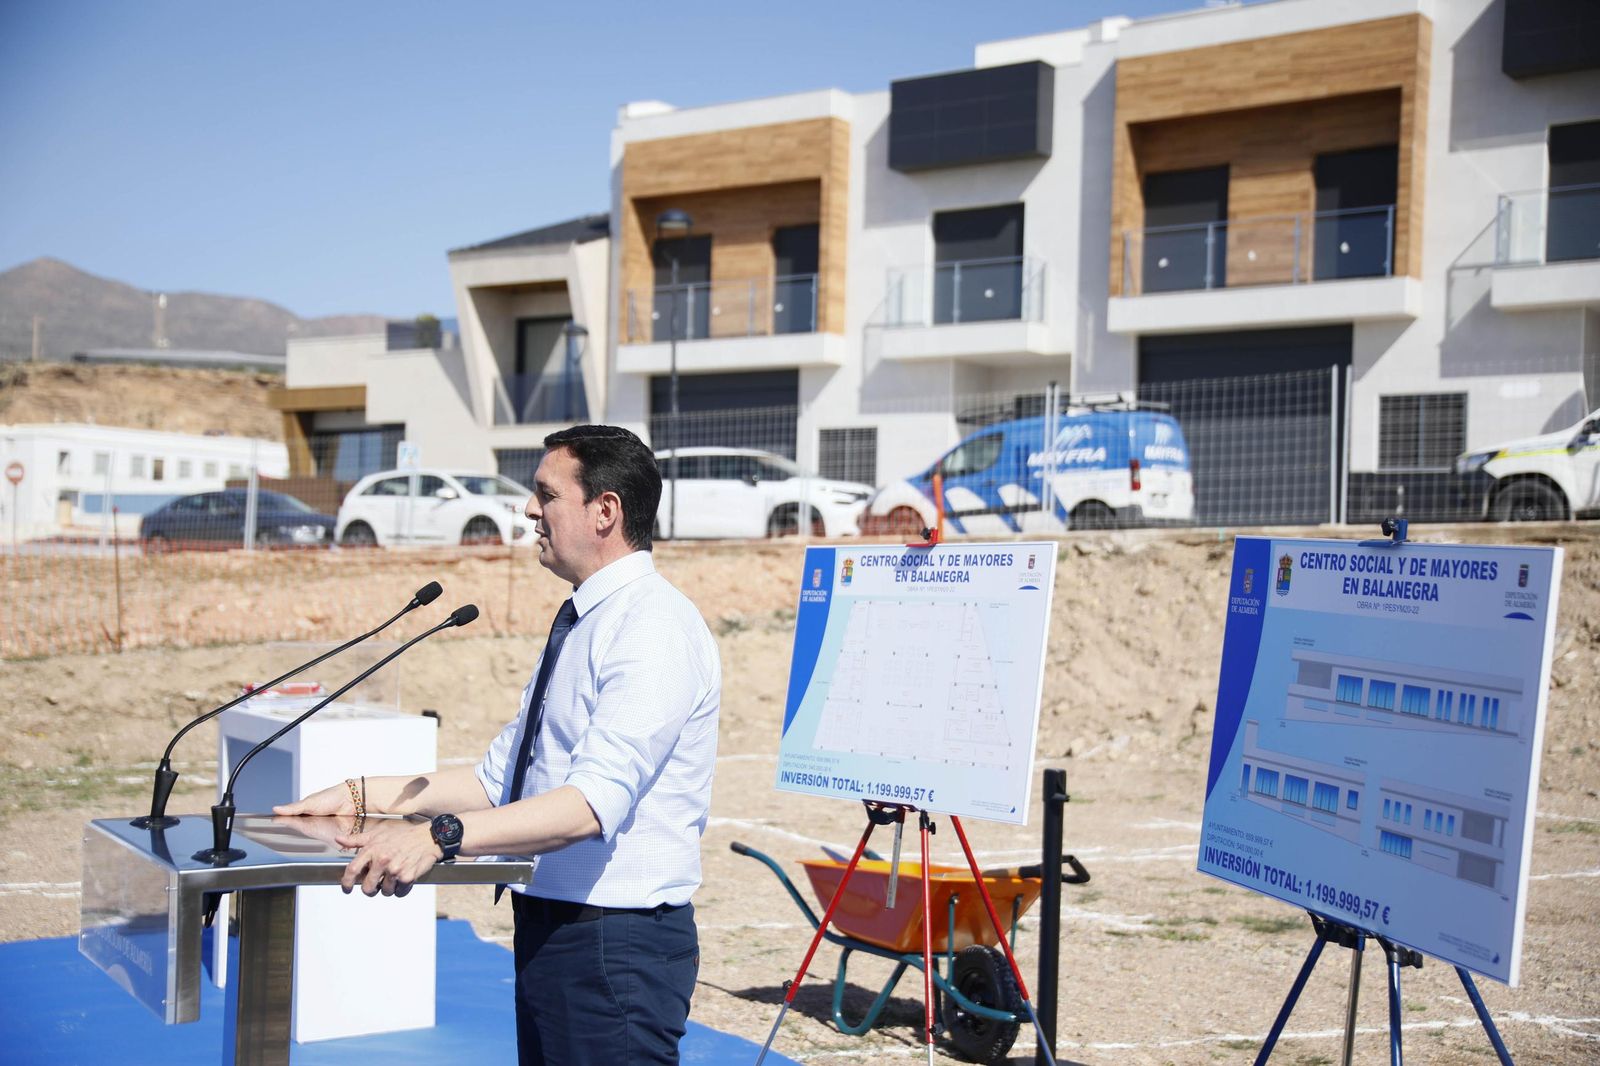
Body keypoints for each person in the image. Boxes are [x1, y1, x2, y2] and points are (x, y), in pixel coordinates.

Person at [275, 424, 722, 1065]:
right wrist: (356, 794)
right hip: (555, 929)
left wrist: (437, 838)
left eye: (546, 493)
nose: (528, 509)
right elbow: (499, 780)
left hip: (613, 946)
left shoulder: (651, 627)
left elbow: (589, 806)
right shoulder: (584, 618)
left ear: (605, 511)